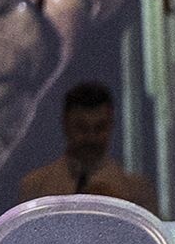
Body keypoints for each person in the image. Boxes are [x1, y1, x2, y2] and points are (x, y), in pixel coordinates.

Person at [16, 77, 158, 209]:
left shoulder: (138, 193)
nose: (91, 137)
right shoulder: (34, 188)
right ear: (65, 125)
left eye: (100, 127)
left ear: (111, 126)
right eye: (82, 128)